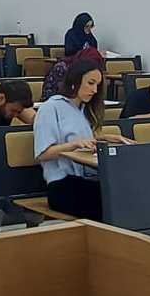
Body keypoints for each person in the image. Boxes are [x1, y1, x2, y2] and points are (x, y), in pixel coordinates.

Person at [32, 64, 130, 218]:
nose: (95, 90)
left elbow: (80, 139)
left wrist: (102, 137)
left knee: (127, 193)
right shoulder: (50, 108)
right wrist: (74, 145)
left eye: (97, 85)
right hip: (62, 185)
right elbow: (42, 154)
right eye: (90, 83)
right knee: (116, 203)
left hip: (87, 178)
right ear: (74, 81)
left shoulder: (84, 109)